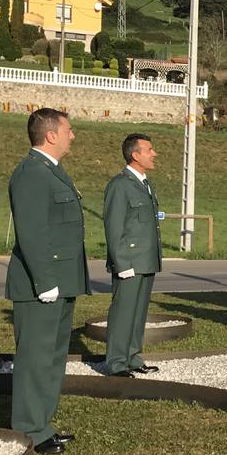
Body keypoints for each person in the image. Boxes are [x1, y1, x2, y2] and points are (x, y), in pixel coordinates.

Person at [4, 108, 90, 455]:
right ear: (51, 135)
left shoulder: (51, 172)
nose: (73, 135)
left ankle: (42, 426)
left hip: (60, 282)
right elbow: (33, 232)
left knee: (52, 358)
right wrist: (45, 281)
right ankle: (28, 430)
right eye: (69, 130)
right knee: (35, 359)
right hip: (42, 284)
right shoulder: (31, 174)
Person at [101, 133, 163, 378]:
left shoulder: (145, 184)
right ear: (135, 155)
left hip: (146, 260)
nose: (154, 153)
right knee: (123, 313)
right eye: (149, 149)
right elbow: (114, 226)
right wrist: (121, 262)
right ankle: (116, 363)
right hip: (129, 262)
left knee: (138, 313)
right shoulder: (120, 185)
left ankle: (133, 357)